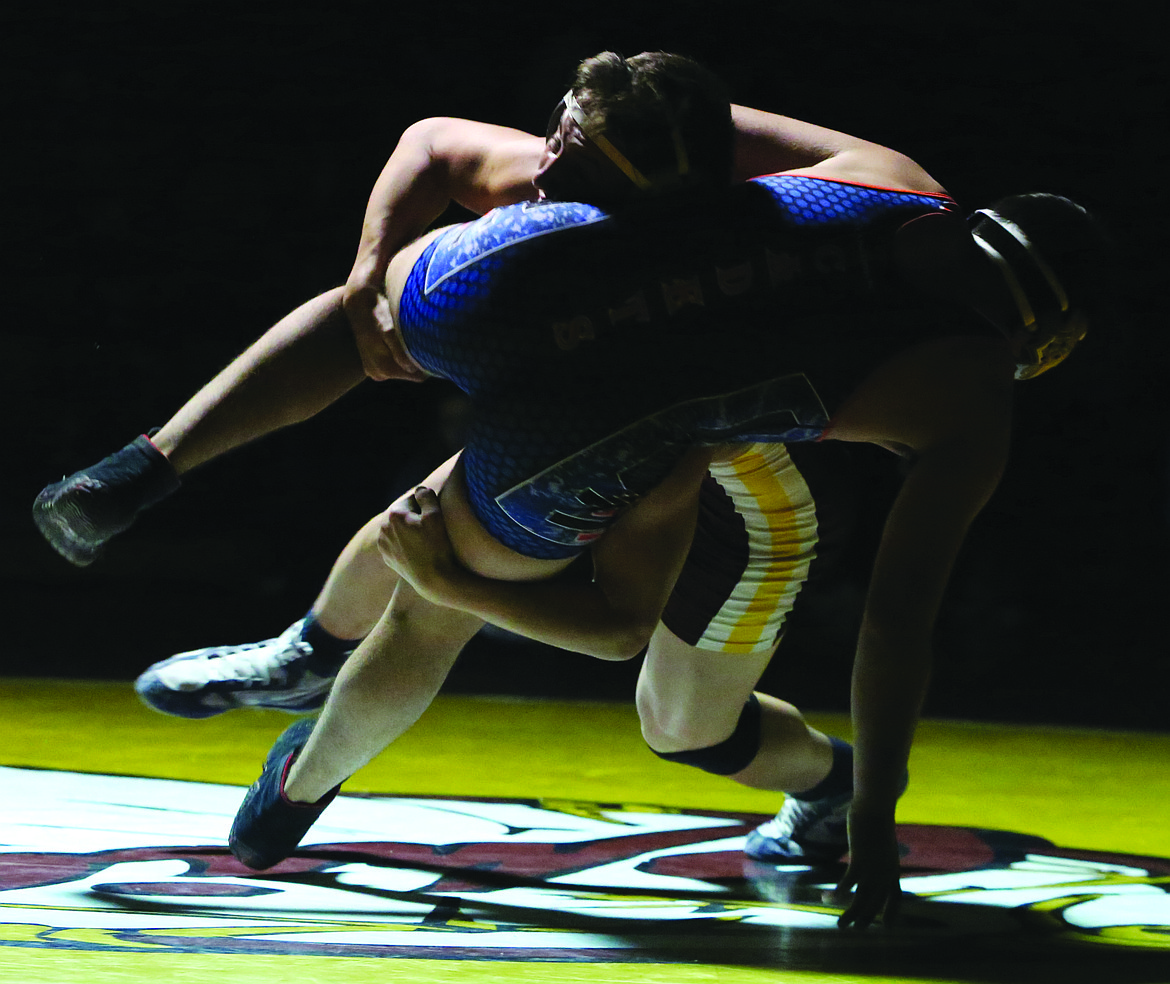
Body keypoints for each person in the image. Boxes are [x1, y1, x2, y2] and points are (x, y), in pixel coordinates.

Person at [31, 52, 1106, 929]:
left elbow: (632, 625)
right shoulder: (963, 377)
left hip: (708, 447)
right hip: (631, 387)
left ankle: (824, 782)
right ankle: (306, 683)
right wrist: (886, 823)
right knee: (437, 562)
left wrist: (869, 811)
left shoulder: (886, 181)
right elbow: (897, 622)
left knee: (660, 712)